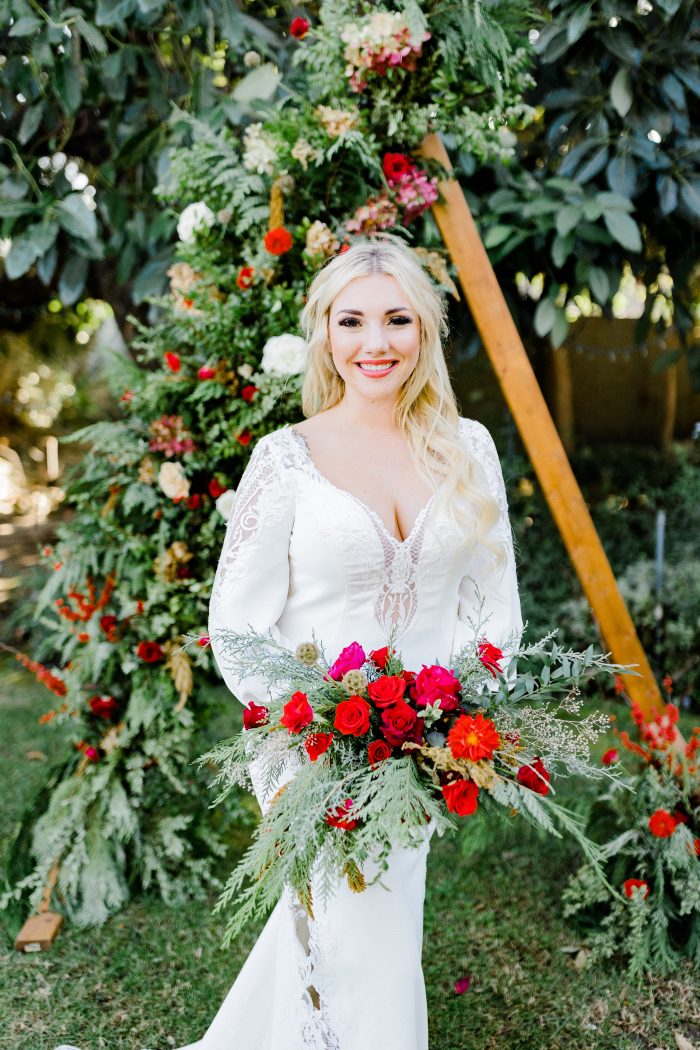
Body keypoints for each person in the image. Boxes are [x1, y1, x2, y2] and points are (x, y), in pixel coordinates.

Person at [181, 237, 523, 1050]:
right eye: (353, 321)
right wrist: (306, 726)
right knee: (358, 924)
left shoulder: (468, 448)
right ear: (325, 333)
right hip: (310, 741)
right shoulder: (286, 459)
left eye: (398, 319)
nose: (377, 343)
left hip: (427, 744)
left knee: (371, 923)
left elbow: (494, 607)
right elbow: (236, 624)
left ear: (428, 330)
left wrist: (465, 721)